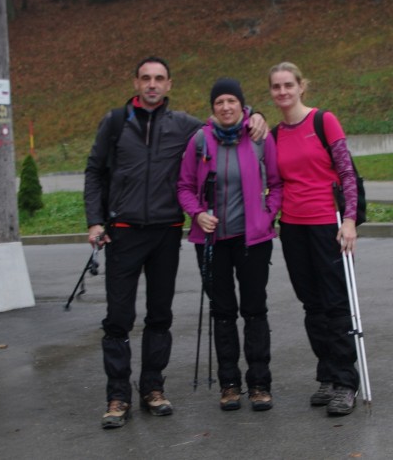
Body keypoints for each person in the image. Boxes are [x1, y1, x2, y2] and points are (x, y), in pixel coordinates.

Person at [84, 57, 267, 429]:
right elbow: (94, 171)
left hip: (167, 231)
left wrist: (256, 115)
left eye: (160, 79)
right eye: (146, 78)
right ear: (136, 82)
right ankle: (117, 395)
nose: (152, 85)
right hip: (123, 231)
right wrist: (94, 221)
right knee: (118, 319)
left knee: (159, 316)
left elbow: (226, 125)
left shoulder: (184, 125)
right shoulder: (116, 122)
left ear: (169, 85)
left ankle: (153, 389)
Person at [177, 78, 282, 412]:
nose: (225, 107)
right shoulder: (199, 140)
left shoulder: (258, 136)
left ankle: (260, 384)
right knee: (222, 313)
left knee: (254, 310)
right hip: (211, 242)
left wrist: (267, 216)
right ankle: (229, 385)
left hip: (253, 239)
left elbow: (278, 183)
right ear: (212, 108)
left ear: (241, 104)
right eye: (219, 102)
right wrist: (196, 214)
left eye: (231, 101)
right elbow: (184, 186)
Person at [268, 62, 360, 416]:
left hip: (328, 224)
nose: (283, 92)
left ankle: (345, 382)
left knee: (335, 303)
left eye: (288, 85)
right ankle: (327, 374)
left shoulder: (324, 121)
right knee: (312, 305)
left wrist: (350, 220)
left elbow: (346, 171)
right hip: (292, 227)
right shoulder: (275, 135)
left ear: (301, 86)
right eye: (276, 87)